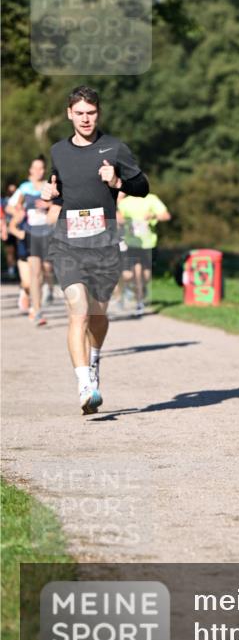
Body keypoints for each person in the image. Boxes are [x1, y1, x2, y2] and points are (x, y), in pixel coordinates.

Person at [41, 86, 149, 414]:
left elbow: (142, 187)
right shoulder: (58, 151)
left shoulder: (114, 148)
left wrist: (117, 182)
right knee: (80, 312)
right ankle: (84, 383)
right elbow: (60, 191)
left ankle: (95, 360)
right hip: (68, 244)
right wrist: (49, 192)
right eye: (80, 113)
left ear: (97, 114)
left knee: (98, 315)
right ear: (69, 114)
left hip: (104, 245)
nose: (86, 119)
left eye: (91, 113)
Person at [7, 156, 54, 326]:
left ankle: (48, 289)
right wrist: (17, 212)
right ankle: (37, 310)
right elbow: (9, 207)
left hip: (49, 232)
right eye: (35, 168)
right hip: (32, 233)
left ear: (44, 170)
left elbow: (60, 205)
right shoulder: (24, 188)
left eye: (41, 168)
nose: (38, 171)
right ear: (30, 170)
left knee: (47, 268)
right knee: (35, 273)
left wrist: (49, 206)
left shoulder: (50, 186)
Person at [117, 191, 171, 315]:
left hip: (149, 244)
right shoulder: (125, 202)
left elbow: (166, 215)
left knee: (145, 276)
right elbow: (116, 216)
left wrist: (153, 216)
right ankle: (138, 301)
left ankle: (139, 291)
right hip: (131, 243)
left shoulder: (151, 199)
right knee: (131, 274)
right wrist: (122, 219)